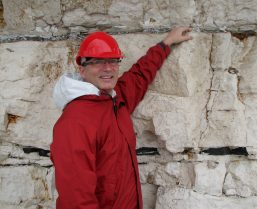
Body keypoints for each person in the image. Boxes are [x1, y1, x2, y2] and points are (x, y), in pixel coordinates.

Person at [50, 26, 192, 209]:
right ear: (81, 68)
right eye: (98, 62)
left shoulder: (115, 100)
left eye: (113, 61)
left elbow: (139, 76)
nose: (108, 68)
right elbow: (75, 199)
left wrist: (166, 43)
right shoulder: (74, 122)